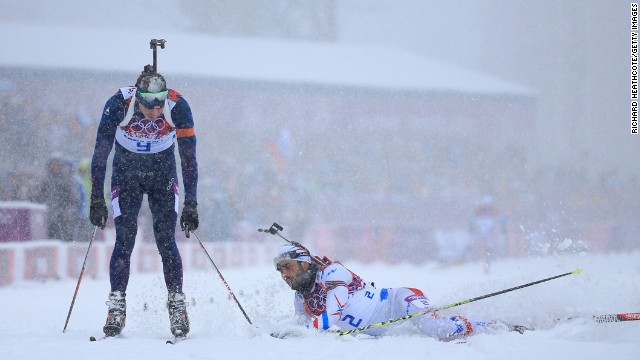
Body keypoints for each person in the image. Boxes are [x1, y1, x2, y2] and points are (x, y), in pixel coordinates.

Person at [89, 66, 199, 338]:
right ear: (137, 97)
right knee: (124, 239)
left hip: (163, 175)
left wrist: (192, 203)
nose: (155, 110)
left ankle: (176, 305)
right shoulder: (118, 103)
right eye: (149, 104)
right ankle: (116, 305)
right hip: (127, 175)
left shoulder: (178, 105)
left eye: (159, 103)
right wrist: (96, 197)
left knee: (165, 240)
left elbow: (188, 158)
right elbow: (101, 150)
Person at [273, 244, 526, 341]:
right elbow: (303, 329)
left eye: (288, 267)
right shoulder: (301, 299)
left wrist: (297, 333)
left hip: (398, 302)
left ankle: (494, 326)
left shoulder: (332, 273)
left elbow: (331, 317)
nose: (284, 274)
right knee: (434, 327)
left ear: (305, 263)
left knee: (440, 331)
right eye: (280, 270)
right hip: (387, 327)